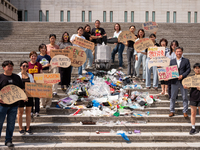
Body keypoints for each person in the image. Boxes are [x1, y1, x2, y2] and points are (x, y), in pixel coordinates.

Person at [0, 60, 24, 147]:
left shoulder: (17, 77)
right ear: (4, 67)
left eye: (11, 66)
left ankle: (8, 140)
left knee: (11, 123)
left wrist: (24, 96)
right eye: (8, 66)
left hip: (14, 105)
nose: (10, 68)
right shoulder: (0, 77)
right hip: (2, 105)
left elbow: (21, 89)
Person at [168, 47, 191, 117]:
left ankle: (185, 111)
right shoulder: (172, 61)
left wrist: (183, 75)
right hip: (174, 81)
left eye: (180, 51)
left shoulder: (186, 60)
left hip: (183, 81)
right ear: (175, 52)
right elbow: (169, 70)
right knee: (173, 97)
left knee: (184, 97)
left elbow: (188, 69)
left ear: (182, 52)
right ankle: (172, 111)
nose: (178, 53)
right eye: (177, 51)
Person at [17, 61, 34, 135]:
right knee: (20, 113)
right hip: (20, 96)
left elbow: (33, 86)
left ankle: (28, 127)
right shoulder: (17, 76)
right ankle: (20, 128)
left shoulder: (30, 76)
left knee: (28, 112)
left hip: (29, 96)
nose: (25, 67)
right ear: (21, 66)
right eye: (24, 66)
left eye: (27, 66)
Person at [183, 63, 200, 135]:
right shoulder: (191, 77)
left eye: (198, 68)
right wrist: (186, 87)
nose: (197, 69)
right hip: (193, 96)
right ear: (194, 69)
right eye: (196, 68)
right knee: (193, 113)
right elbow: (189, 86)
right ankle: (193, 127)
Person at [36, 44, 52, 108]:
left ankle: (48, 103)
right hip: (40, 73)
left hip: (48, 73)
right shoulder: (38, 57)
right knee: (41, 89)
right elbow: (37, 67)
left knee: (49, 89)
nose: (43, 49)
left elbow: (52, 65)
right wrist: (45, 66)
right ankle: (42, 104)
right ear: (39, 49)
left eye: (44, 48)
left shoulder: (48, 57)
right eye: (42, 48)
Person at [28, 51, 43, 117]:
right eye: (32, 56)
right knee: (30, 98)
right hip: (30, 83)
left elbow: (41, 73)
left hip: (37, 83)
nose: (33, 57)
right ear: (30, 57)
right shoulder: (27, 64)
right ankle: (31, 111)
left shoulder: (39, 64)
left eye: (35, 56)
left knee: (37, 98)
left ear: (36, 57)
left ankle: (37, 111)